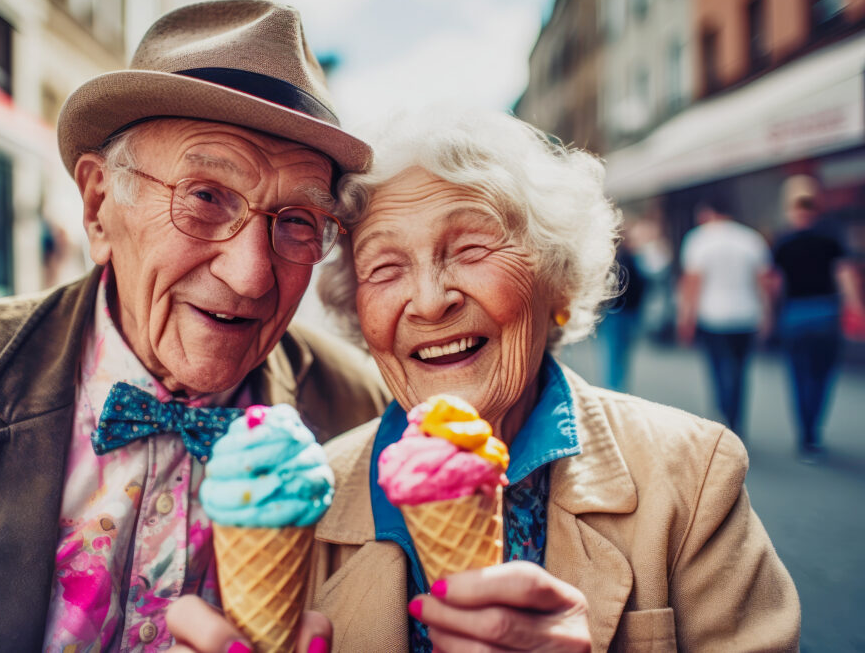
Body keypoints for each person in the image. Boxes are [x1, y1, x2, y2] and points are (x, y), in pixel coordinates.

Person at [0, 0, 391, 651]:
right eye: (205, 196)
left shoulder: (360, 413)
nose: (251, 275)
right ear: (99, 205)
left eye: (298, 221)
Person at [167, 109, 799, 651]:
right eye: (385, 268)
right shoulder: (296, 500)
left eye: (471, 249)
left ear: (558, 282)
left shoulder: (694, 475)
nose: (429, 301)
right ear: (360, 316)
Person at [771, 175, 865, 461]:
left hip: (794, 315)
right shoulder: (830, 237)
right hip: (825, 312)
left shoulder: (782, 240)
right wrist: (856, 307)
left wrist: (771, 314)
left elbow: (775, 284)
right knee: (822, 374)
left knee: (798, 375)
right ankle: (814, 431)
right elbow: (845, 276)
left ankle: (806, 433)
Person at [677, 198, 772, 436]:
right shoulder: (751, 239)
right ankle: (736, 417)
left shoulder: (699, 240)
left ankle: (722, 411)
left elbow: (692, 283)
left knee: (717, 367)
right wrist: (767, 314)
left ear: (708, 213)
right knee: (740, 369)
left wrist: (686, 317)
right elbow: (763, 281)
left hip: (712, 315)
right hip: (746, 314)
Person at [598, 232, 646, 391]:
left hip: (618, 312)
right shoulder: (626, 259)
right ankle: (615, 386)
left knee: (615, 352)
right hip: (622, 313)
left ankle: (615, 386)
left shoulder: (616, 260)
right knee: (618, 352)